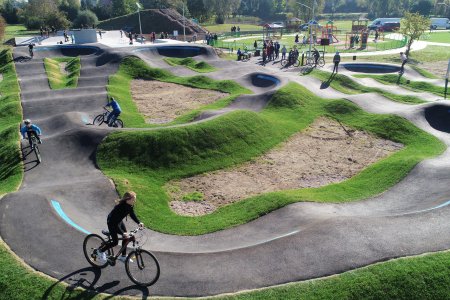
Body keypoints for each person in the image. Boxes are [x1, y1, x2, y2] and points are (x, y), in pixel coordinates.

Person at [96, 191, 144, 263]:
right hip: (112, 222)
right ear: (128, 199)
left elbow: (132, 214)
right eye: (133, 199)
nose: (135, 201)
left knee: (126, 237)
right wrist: (122, 233)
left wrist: (139, 222)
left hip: (119, 221)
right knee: (115, 242)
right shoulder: (120, 207)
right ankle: (100, 251)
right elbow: (115, 223)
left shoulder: (130, 205)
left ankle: (123, 256)